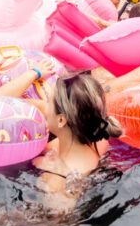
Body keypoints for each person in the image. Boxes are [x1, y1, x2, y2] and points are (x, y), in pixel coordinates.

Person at [33, 72, 122, 204]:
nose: (45, 107)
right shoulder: (100, 142)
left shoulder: (54, 183)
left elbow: (55, 224)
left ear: (61, 120)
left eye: (48, 103)